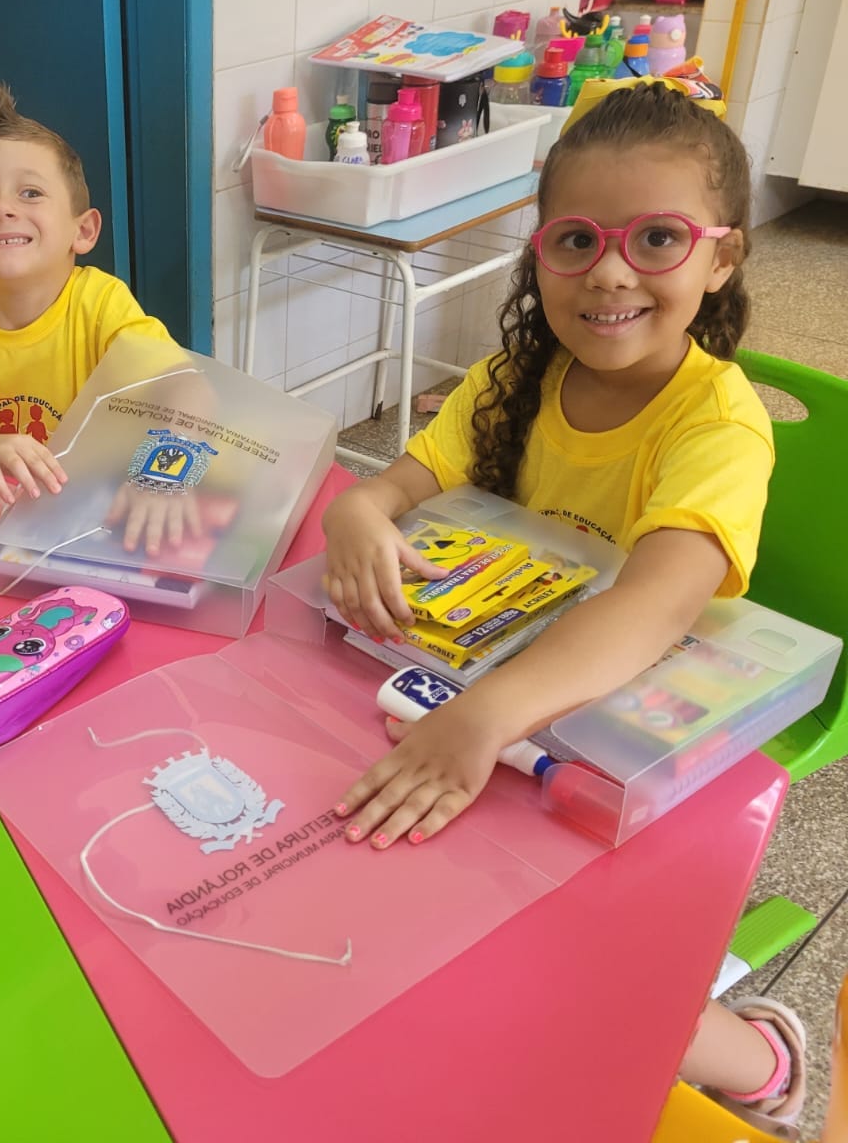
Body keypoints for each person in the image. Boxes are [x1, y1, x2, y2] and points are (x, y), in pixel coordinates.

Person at [321, 84, 804, 1133]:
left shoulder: (719, 428)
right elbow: (401, 481)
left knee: (594, 973)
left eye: (658, 239)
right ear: (539, 255)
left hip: (638, 728)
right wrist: (359, 507)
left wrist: (487, 715)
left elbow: (654, 609)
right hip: (497, 691)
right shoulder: (515, 375)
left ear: (722, 257)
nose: (610, 273)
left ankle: (762, 1061)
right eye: (577, 240)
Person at [0, 84, 193, 554]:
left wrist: (160, 476)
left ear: (83, 230)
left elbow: (186, 388)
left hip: (93, 519)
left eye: (30, 193)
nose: (3, 208)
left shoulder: (101, 302)